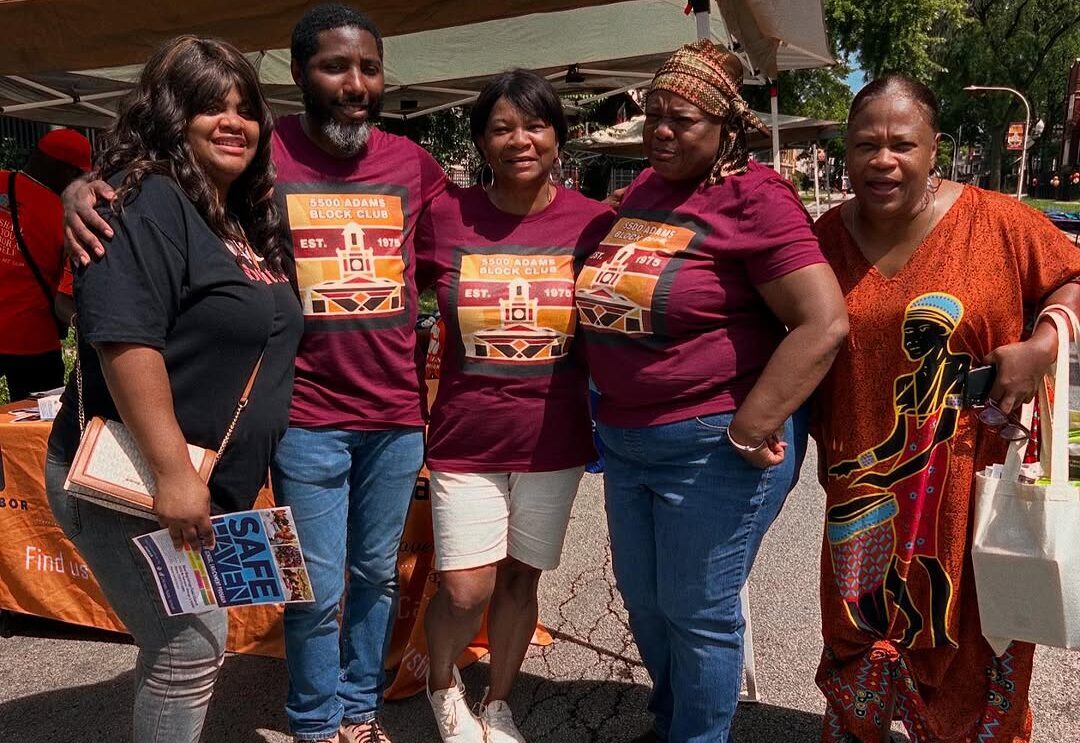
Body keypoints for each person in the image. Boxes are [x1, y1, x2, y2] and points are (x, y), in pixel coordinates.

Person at [64, 6, 445, 742]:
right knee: (315, 585)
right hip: (305, 417)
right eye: (336, 66)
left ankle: (357, 714)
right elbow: (149, 201)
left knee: (373, 578)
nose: (355, 82)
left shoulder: (414, 165)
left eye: (369, 67)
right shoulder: (266, 162)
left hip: (396, 418)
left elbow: (471, 235)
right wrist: (88, 185)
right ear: (301, 75)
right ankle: (313, 720)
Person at [574, 40, 848, 743]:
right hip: (629, 441)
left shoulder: (756, 199)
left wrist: (749, 425)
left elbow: (823, 321)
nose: (661, 130)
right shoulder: (646, 189)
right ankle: (675, 721)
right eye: (653, 114)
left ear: (727, 127)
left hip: (713, 444)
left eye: (682, 119)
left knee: (697, 609)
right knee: (646, 603)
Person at [45, 35, 301, 743]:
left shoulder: (244, 216)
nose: (233, 122)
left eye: (246, 109)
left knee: (177, 647)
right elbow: (126, 338)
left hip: (202, 482)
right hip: (138, 478)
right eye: (209, 107)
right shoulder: (144, 201)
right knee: (189, 644)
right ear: (169, 116)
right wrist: (171, 474)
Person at [812, 74, 1080, 743]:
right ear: (844, 151)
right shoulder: (821, 240)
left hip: (977, 489)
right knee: (859, 644)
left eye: (903, 143)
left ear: (936, 149)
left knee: (979, 641)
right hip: (861, 496)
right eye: (866, 143)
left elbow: (1075, 275)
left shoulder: (996, 222)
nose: (884, 158)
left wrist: (1045, 342)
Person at [415, 70, 614, 743]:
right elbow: (388, 293)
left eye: (534, 125)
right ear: (481, 141)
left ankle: (498, 699)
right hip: (464, 435)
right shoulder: (446, 218)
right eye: (502, 127)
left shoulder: (595, 223)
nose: (520, 139)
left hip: (552, 437)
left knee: (521, 578)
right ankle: (440, 682)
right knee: (465, 586)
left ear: (559, 136)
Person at [0, 128, 89, 400]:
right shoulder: (64, 215)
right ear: (65, 171)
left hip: (29, 338)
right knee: (35, 427)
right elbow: (69, 284)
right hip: (32, 341)